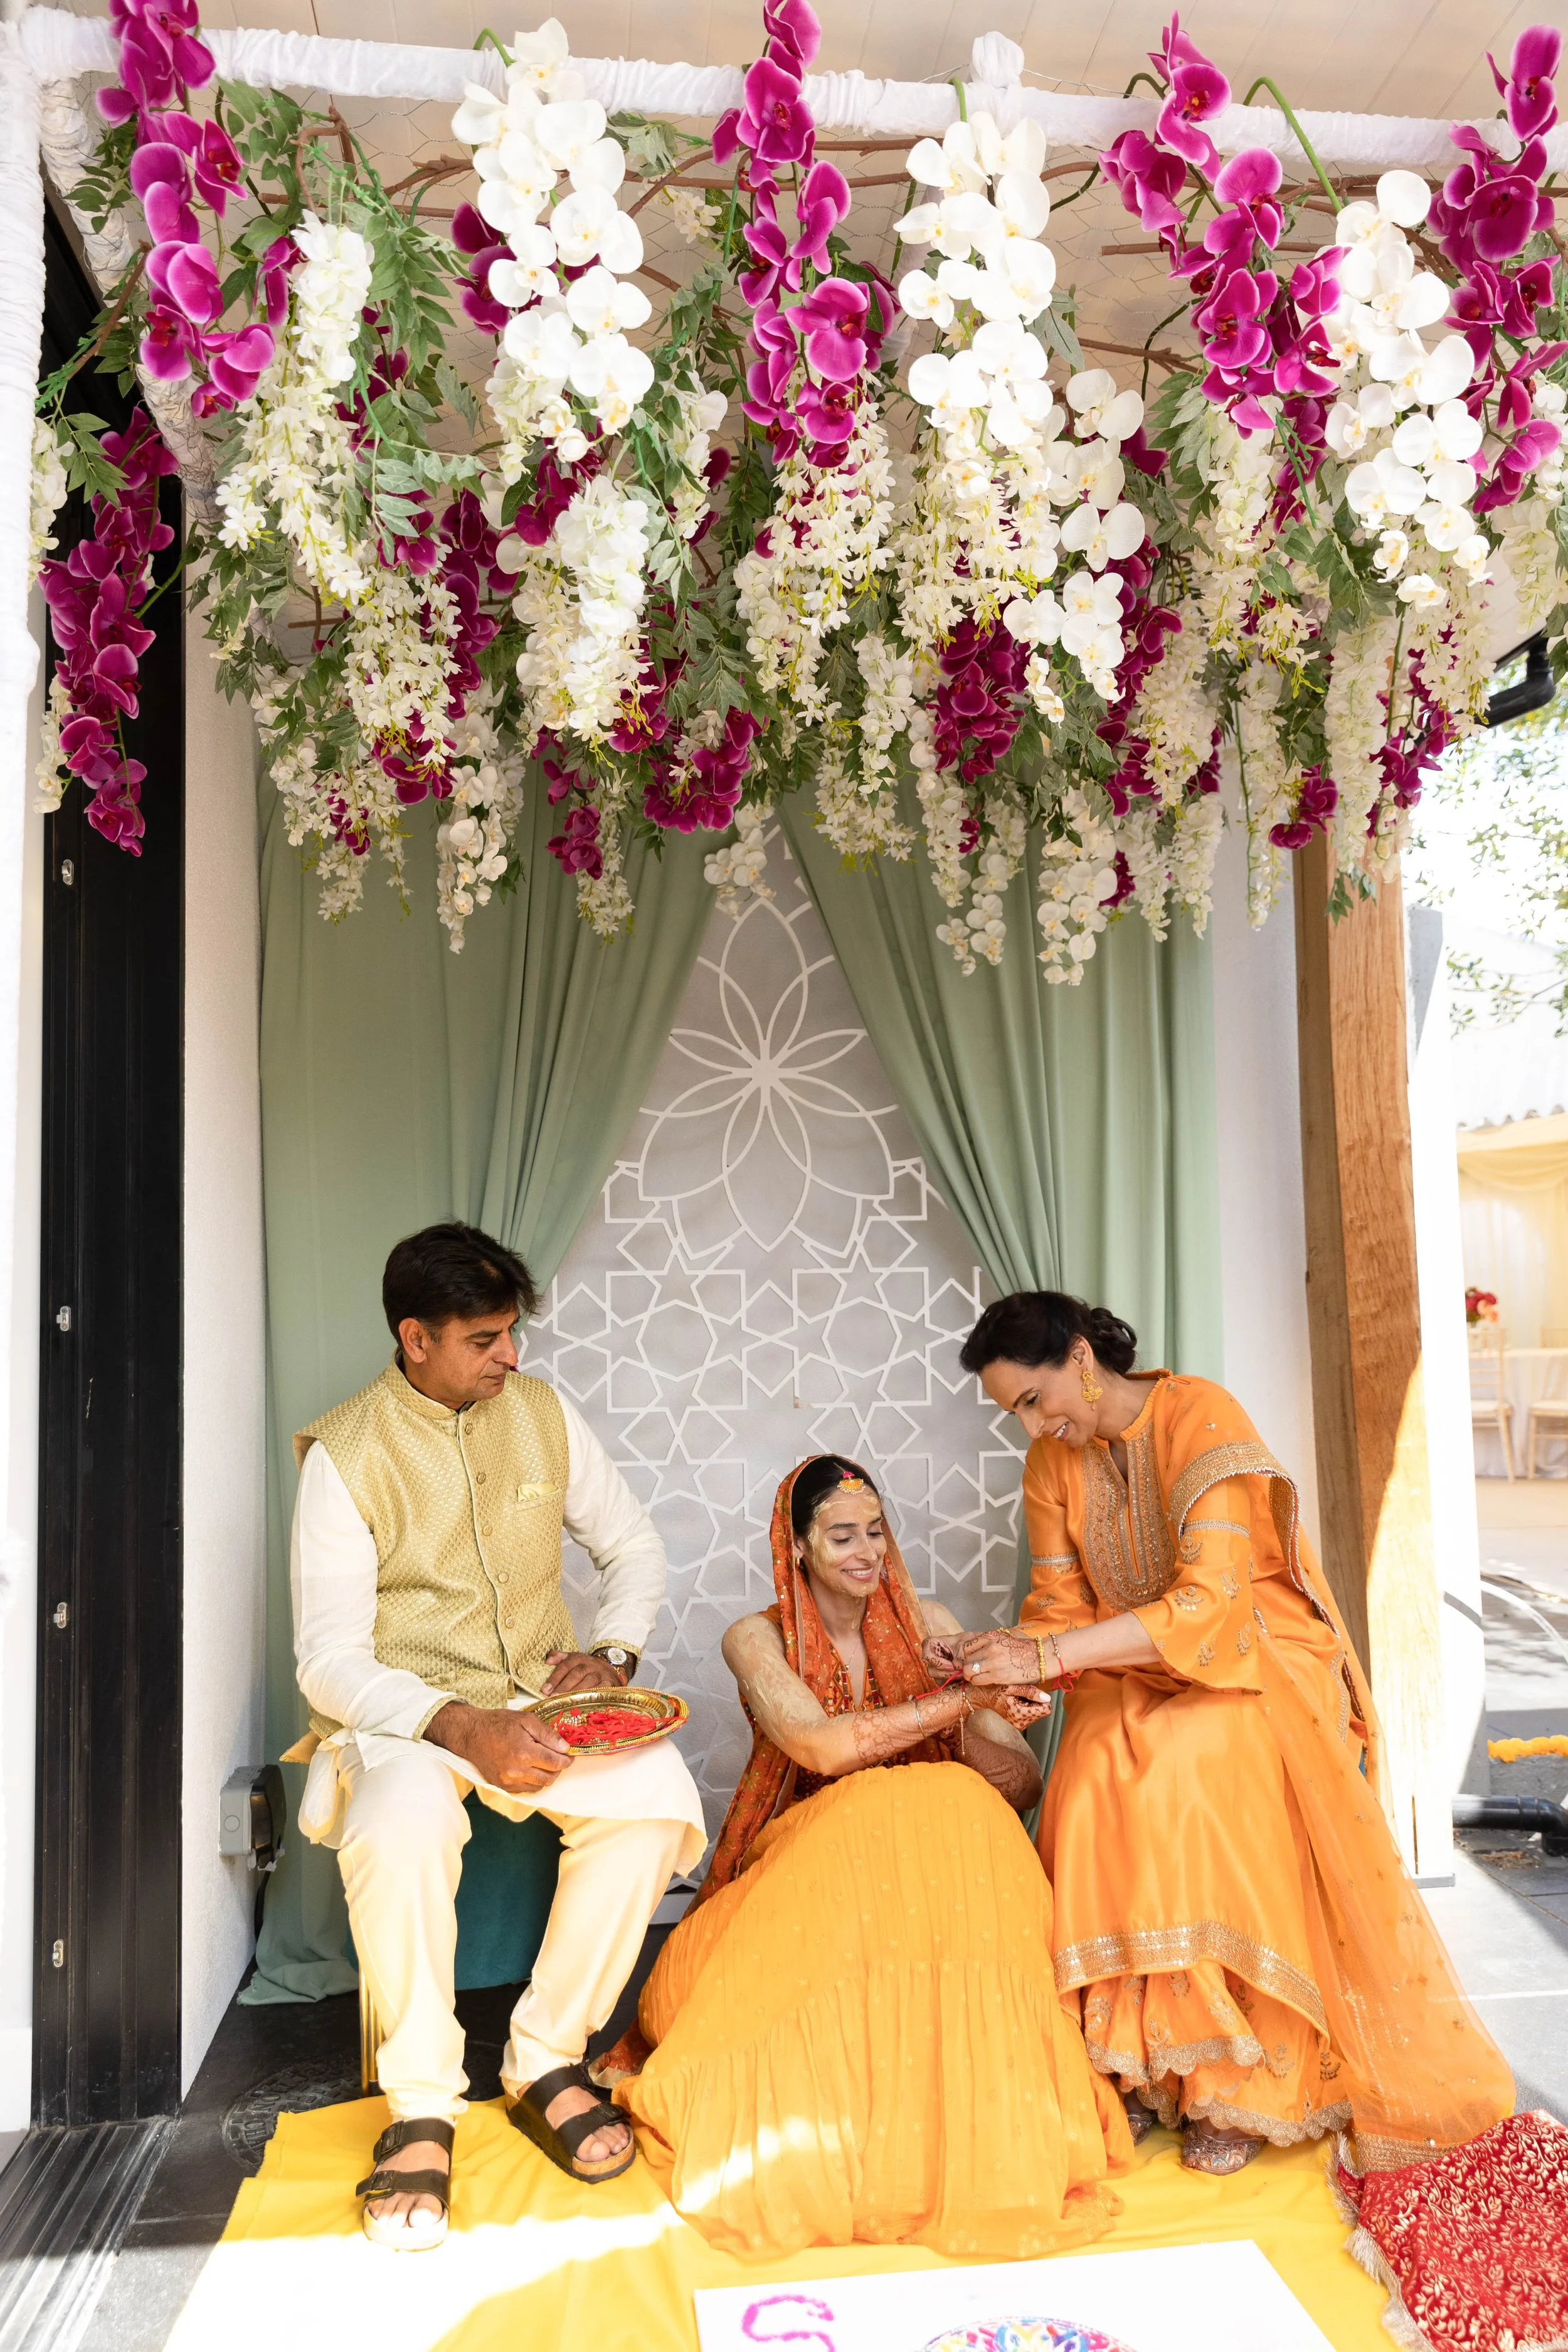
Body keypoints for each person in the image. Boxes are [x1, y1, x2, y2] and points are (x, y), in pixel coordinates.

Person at [948, 1290, 1514, 2176]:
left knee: (1190, 1760)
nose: (1031, 1426)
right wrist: (1026, 1675)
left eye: (1032, 1399)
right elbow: (1057, 1606)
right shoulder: (1050, 1466)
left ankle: (1236, 2080)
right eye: (1014, 1412)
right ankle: (1131, 2067)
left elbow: (1215, 1600)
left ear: (1082, 1359)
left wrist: (1048, 1653)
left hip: (1254, 1649)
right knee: (1093, 1765)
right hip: (1129, 1658)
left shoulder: (1199, 1412)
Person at [288, 1222, 706, 2250]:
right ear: (415, 1337)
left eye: (512, 1333)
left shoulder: (544, 1415)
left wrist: (610, 1654)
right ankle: (423, 2103)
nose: (511, 1356)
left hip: (537, 1701)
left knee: (657, 1804)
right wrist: (455, 1724)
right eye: (486, 1339)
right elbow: (327, 1659)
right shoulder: (344, 1456)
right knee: (398, 1827)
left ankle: (543, 2055)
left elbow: (634, 1545)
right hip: (407, 1718)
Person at [608, 1454, 1135, 2257]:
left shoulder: (929, 1623)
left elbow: (1020, 1785)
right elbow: (818, 1749)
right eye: (841, 1535)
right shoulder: (756, 1637)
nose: (866, 1552)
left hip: (928, 1877)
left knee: (952, 1802)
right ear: (797, 1550)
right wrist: (956, 1702)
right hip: (810, 1864)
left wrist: (982, 1706)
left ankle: (981, 2117)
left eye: (877, 1532)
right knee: (906, 1802)